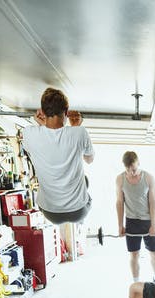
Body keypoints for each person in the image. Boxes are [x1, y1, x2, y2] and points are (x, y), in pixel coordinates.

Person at [21, 87, 94, 224]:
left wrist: (42, 124)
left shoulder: (29, 134)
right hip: (78, 210)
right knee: (86, 181)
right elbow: (89, 159)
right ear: (66, 112)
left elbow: (50, 139)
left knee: (83, 181)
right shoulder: (79, 133)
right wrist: (75, 128)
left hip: (50, 212)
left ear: (42, 112)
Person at [115, 151, 155, 283]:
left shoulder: (148, 178)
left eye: (134, 169)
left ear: (138, 163)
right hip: (131, 221)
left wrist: (153, 224)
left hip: (148, 220)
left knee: (154, 252)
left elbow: (153, 203)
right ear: (125, 167)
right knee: (134, 254)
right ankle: (136, 283)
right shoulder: (120, 179)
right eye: (128, 170)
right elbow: (119, 202)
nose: (132, 173)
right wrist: (120, 225)